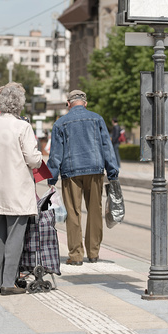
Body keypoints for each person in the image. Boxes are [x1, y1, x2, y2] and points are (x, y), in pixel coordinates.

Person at [0, 83, 42, 295]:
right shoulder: (22, 127)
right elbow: (33, 159)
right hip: (16, 191)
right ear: (19, 106)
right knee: (15, 237)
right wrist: (40, 159)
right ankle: (8, 283)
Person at [47, 89, 119, 266]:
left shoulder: (60, 123)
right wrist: (112, 172)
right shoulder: (97, 119)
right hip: (95, 170)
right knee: (95, 211)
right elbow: (107, 147)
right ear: (85, 103)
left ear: (68, 104)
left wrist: (51, 178)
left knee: (73, 213)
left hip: (71, 172)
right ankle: (93, 253)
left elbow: (56, 154)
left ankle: (76, 255)